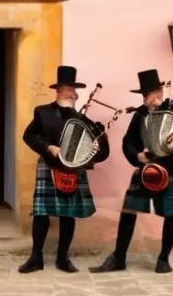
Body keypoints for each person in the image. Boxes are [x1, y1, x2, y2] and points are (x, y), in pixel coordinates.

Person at [89, 69, 173, 274]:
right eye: (145, 96)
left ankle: (163, 259)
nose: (148, 100)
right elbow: (128, 142)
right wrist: (137, 156)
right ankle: (118, 258)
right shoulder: (141, 114)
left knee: (171, 214)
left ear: (160, 93)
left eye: (151, 95)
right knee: (128, 211)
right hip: (147, 169)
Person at [18, 65, 110, 274]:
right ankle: (36, 257)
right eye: (69, 88)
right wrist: (48, 148)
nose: (73, 93)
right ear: (59, 90)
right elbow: (29, 136)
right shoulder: (43, 112)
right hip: (49, 165)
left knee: (68, 214)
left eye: (74, 89)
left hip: (73, 167)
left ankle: (62, 258)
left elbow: (97, 148)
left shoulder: (80, 117)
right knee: (41, 213)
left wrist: (100, 134)